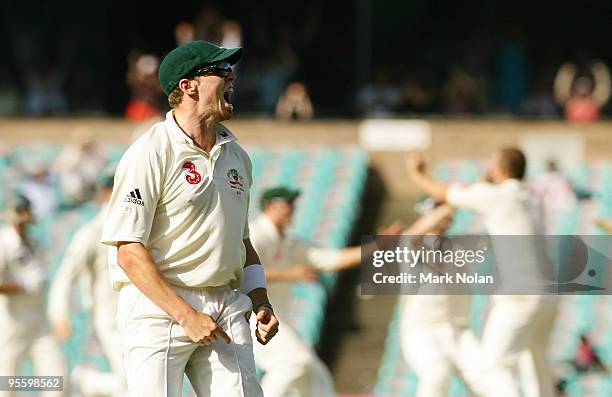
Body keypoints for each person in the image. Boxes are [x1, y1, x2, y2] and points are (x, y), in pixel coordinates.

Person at [100, 40, 278, 397]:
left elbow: (242, 242)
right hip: (159, 308)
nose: (233, 78)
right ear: (188, 86)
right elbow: (128, 252)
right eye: (222, 71)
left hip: (225, 304)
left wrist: (260, 301)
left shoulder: (237, 157)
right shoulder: (151, 151)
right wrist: (185, 315)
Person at [407, 148, 558, 397]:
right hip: (549, 295)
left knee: (494, 367)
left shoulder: (495, 197)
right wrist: (486, 185)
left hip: (520, 296)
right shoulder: (533, 198)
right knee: (536, 363)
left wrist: (417, 175)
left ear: (499, 170)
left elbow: (444, 193)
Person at [249, 186, 403, 397]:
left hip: (275, 317)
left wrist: (377, 246)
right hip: (250, 317)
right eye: (288, 204)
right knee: (294, 362)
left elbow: (333, 259)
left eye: (294, 204)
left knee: (314, 374)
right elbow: (242, 273)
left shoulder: (291, 241)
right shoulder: (254, 233)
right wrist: (290, 274)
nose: (293, 209)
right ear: (270, 207)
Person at [48, 169, 125, 397]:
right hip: (108, 315)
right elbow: (66, 274)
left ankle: (89, 382)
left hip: (136, 311)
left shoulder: (139, 225)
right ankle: (87, 381)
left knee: (138, 379)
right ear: (104, 194)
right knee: (132, 380)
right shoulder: (91, 232)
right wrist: (59, 313)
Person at [399, 203, 483, 397]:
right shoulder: (411, 246)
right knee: (436, 371)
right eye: (436, 211)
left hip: (457, 329)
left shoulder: (457, 248)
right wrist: (449, 204)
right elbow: (412, 235)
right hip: (421, 328)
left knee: (490, 376)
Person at [0, 194, 67, 397]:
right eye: (25, 212)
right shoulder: (3, 242)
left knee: (57, 382)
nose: (29, 216)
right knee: (7, 386)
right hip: (13, 324)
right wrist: (23, 285)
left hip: (39, 322)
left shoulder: (34, 242)